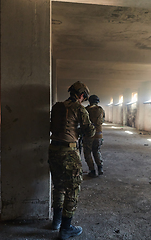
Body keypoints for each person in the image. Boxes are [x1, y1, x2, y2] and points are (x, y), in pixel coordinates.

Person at [48, 81, 96, 240]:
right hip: (68, 152)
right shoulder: (79, 108)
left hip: (53, 150)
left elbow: (52, 126)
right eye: (84, 97)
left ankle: (56, 221)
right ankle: (66, 229)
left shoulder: (57, 106)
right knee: (73, 188)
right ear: (82, 95)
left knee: (59, 186)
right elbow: (89, 131)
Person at [83, 94, 105, 178]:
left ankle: (92, 171)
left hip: (88, 135)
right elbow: (102, 120)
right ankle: (100, 168)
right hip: (99, 135)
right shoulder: (101, 110)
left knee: (87, 153)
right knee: (96, 151)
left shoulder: (85, 110)